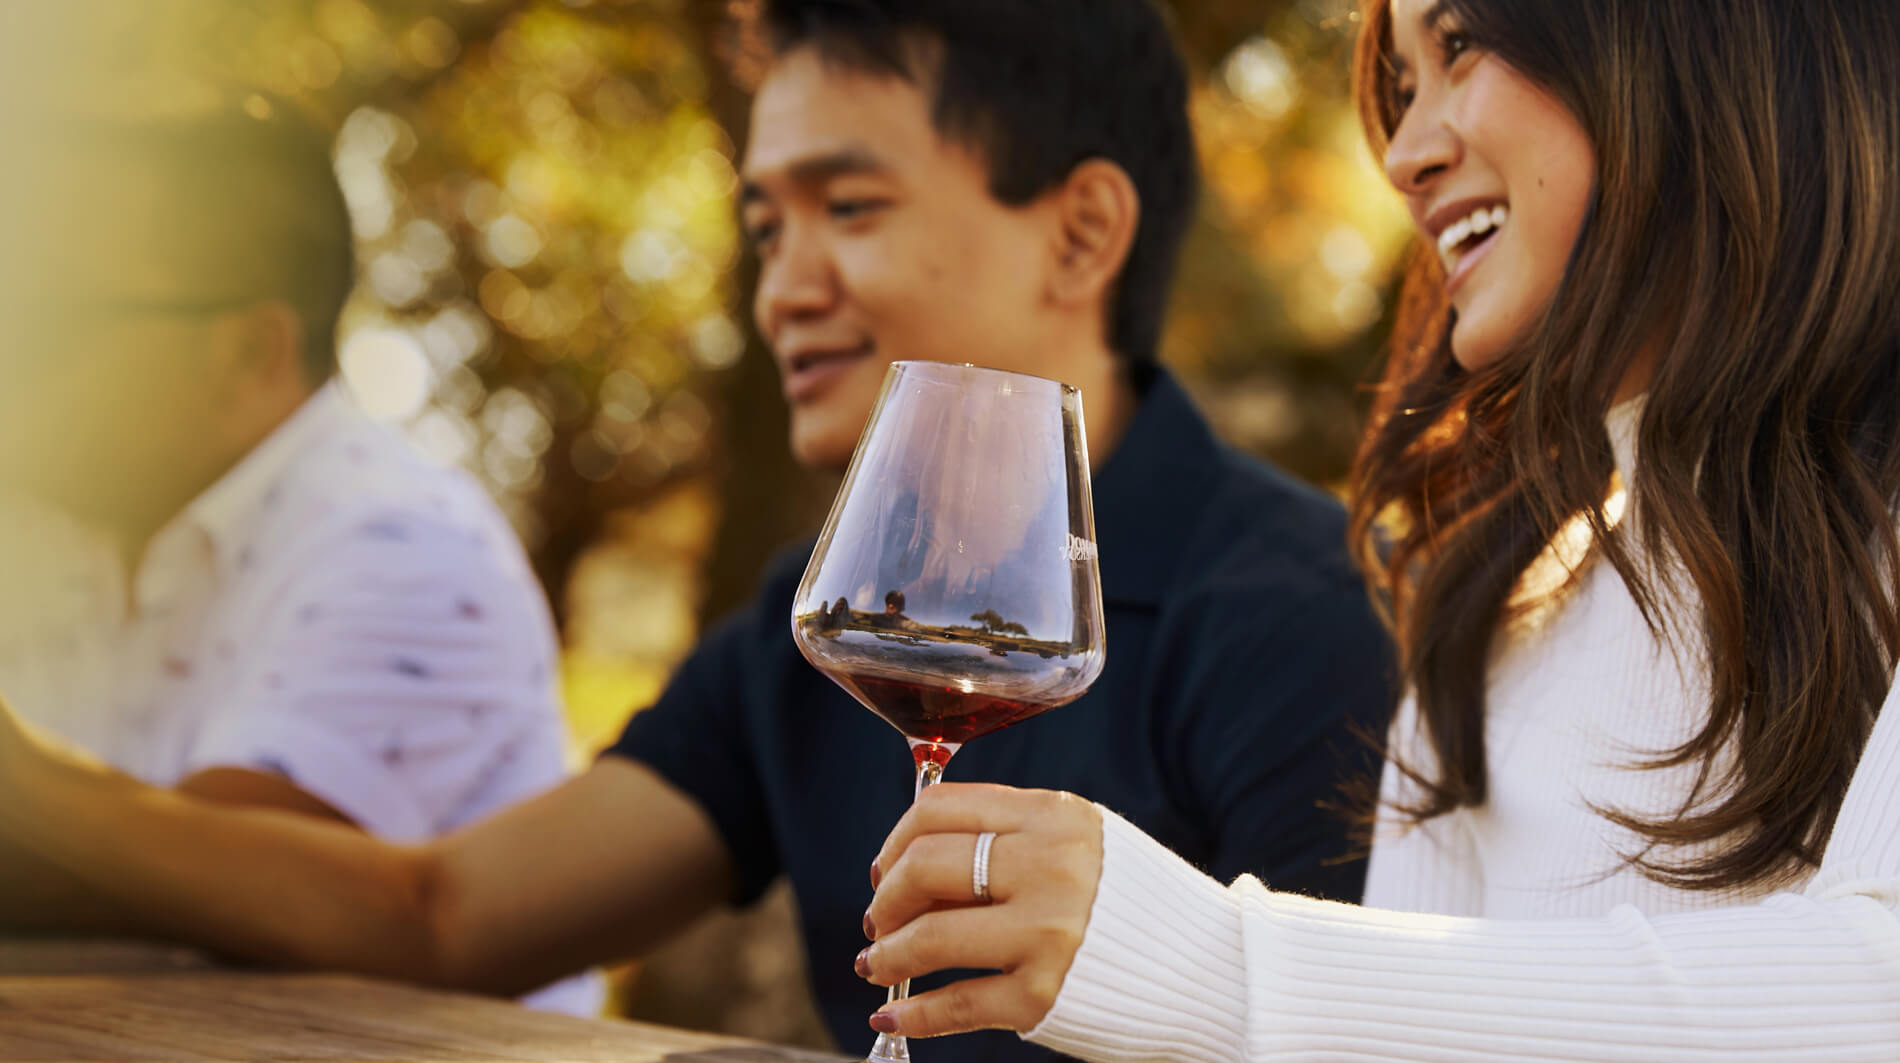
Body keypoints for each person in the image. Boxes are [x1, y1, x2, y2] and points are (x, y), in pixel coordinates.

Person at [0, 2, 1394, 1059]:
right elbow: (446, 915)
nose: (782, 284)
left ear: (1082, 233)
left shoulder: (1291, 613)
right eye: (764, 225)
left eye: (847, 206)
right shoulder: (821, 622)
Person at [849, 0, 1900, 1058]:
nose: (1402, 154)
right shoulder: (1489, 620)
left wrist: (1210, 960)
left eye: (1458, 46)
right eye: (1402, 86)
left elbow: (1879, 993)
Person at [0, 100, 598, 1012]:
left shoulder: (403, 548)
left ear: (247, 349)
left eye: (58, 314)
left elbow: (191, 887)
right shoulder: (57, 526)